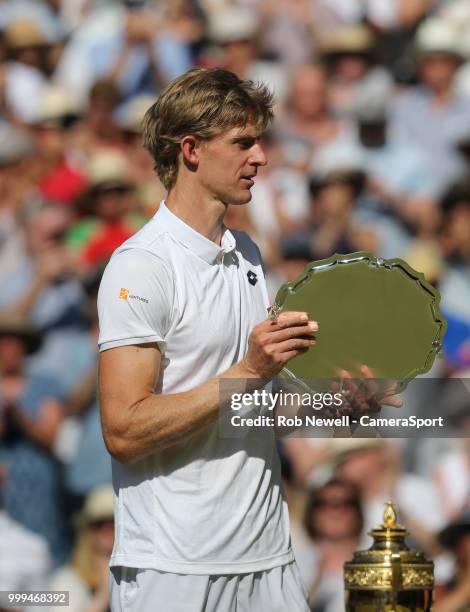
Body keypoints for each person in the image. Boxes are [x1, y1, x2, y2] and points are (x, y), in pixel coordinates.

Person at [97, 67, 315, 612]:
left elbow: (249, 406)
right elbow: (123, 429)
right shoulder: (140, 266)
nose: (260, 157)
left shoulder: (248, 252)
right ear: (191, 150)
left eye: (259, 141)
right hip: (174, 566)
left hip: (269, 558)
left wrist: (351, 400)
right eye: (242, 143)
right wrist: (250, 372)